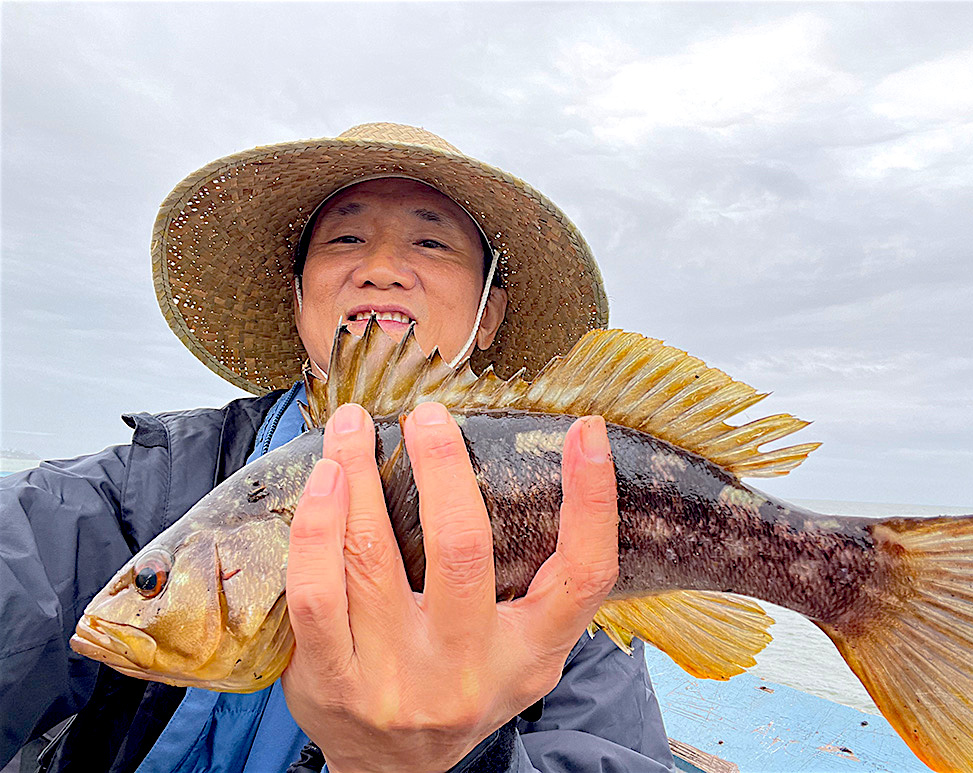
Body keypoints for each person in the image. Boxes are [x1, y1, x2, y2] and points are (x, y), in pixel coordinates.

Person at [0, 123, 676, 772]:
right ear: (297, 300)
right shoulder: (151, 482)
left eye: (431, 243)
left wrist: (455, 762)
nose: (381, 268)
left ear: (489, 312)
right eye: (345, 237)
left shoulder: (581, 538)